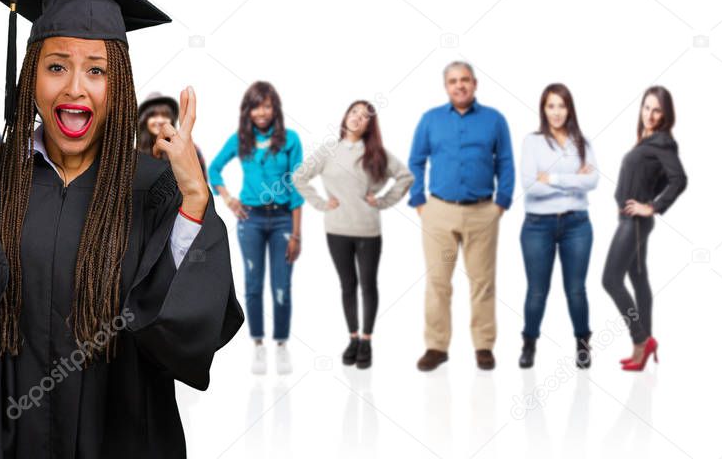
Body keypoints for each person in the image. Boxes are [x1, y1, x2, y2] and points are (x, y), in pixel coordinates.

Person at [0, 0, 243, 457]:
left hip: (124, 435)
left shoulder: (155, 187)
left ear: (117, 86)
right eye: (57, 66)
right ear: (29, 78)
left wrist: (194, 202)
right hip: (13, 438)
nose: (75, 87)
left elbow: (182, 331)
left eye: (96, 70)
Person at [409, 61, 514, 371]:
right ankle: (436, 347)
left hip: (483, 212)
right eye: (453, 81)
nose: (460, 85)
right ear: (446, 87)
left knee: (483, 282)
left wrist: (501, 203)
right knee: (438, 282)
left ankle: (483, 345)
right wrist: (419, 202)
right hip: (439, 212)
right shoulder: (430, 120)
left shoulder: (495, 120)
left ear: (475, 83)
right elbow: (415, 162)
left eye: (465, 80)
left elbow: (505, 163)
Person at [293, 100, 412, 369]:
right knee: (348, 285)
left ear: (370, 125)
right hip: (337, 230)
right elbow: (299, 176)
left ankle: (367, 341)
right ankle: (353, 338)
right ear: (346, 116)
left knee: (368, 285)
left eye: (365, 116)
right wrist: (322, 204)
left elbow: (405, 177)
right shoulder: (329, 150)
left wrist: (381, 201)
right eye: (354, 112)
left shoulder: (376, 152)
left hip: (368, 230)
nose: (358, 118)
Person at [208, 81, 304, 375]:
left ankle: (281, 345)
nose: (261, 112)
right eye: (255, 106)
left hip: (283, 220)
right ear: (247, 111)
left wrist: (297, 234)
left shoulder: (290, 139)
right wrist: (228, 199)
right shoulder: (240, 139)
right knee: (252, 284)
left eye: (266, 105)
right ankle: (259, 345)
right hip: (251, 220)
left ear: (274, 107)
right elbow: (213, 169)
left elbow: (297, 185)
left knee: (281, 286)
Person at [603, 86, 687, 372]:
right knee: (637, 278)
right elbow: (661, 178)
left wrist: (651, 206)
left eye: (656, 110)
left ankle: (641, 340)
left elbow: (679, 180)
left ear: (665, 114)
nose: (649, 114)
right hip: (631, 220)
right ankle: (644, 345)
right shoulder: (647, 140)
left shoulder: (662, 142)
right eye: (646, 108)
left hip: (636, 222)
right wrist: (648, 196)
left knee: (610, 280)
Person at [517, 83, 597, 369]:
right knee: (537, 290)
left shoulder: (582, 142)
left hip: (577, 224)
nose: (556, 112)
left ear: (569, 109)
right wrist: (573, 180)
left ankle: (583, 343)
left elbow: (593, 181)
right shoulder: (532, 141)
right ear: (543, 109)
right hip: (538, 226)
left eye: (561, 106)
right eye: (551, 106)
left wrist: (551, 179)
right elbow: (529, 186)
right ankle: (529, 343)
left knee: (576, 289)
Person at [137, 91, 207, 180]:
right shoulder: (134, 156)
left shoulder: (188, 149)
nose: (160, 120)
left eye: (165, 115)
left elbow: (203, 186)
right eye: (153, 115)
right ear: (144, 120)